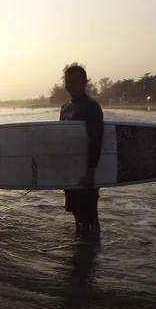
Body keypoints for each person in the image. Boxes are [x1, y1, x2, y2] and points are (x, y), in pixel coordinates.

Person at [59, 65, 104, 241]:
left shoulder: (91, 107)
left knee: (90, 215)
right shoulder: (65, 107)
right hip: (71, 171)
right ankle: (81, 247)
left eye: (75, 81)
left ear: (85, 82)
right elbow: (63, 139)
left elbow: (96, 140)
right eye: (67, 82)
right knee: (76, 213)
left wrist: (90, 173)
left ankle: (92, 251)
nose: (70, 85)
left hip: (86, 171)